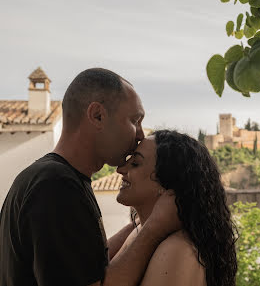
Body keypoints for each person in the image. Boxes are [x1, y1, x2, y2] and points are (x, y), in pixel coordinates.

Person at [0, 68, 181, 286]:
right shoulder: (55, 186)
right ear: (97, 116)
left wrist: (140, 225)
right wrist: (153, 230)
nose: (141, 134)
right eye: (135, 120)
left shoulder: (55, 178)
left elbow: (87, 267)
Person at [114, 130, 237, 286]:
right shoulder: (139, 232)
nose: (121, 169)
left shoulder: (175, 250)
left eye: (135, 164)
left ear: (167, 183)